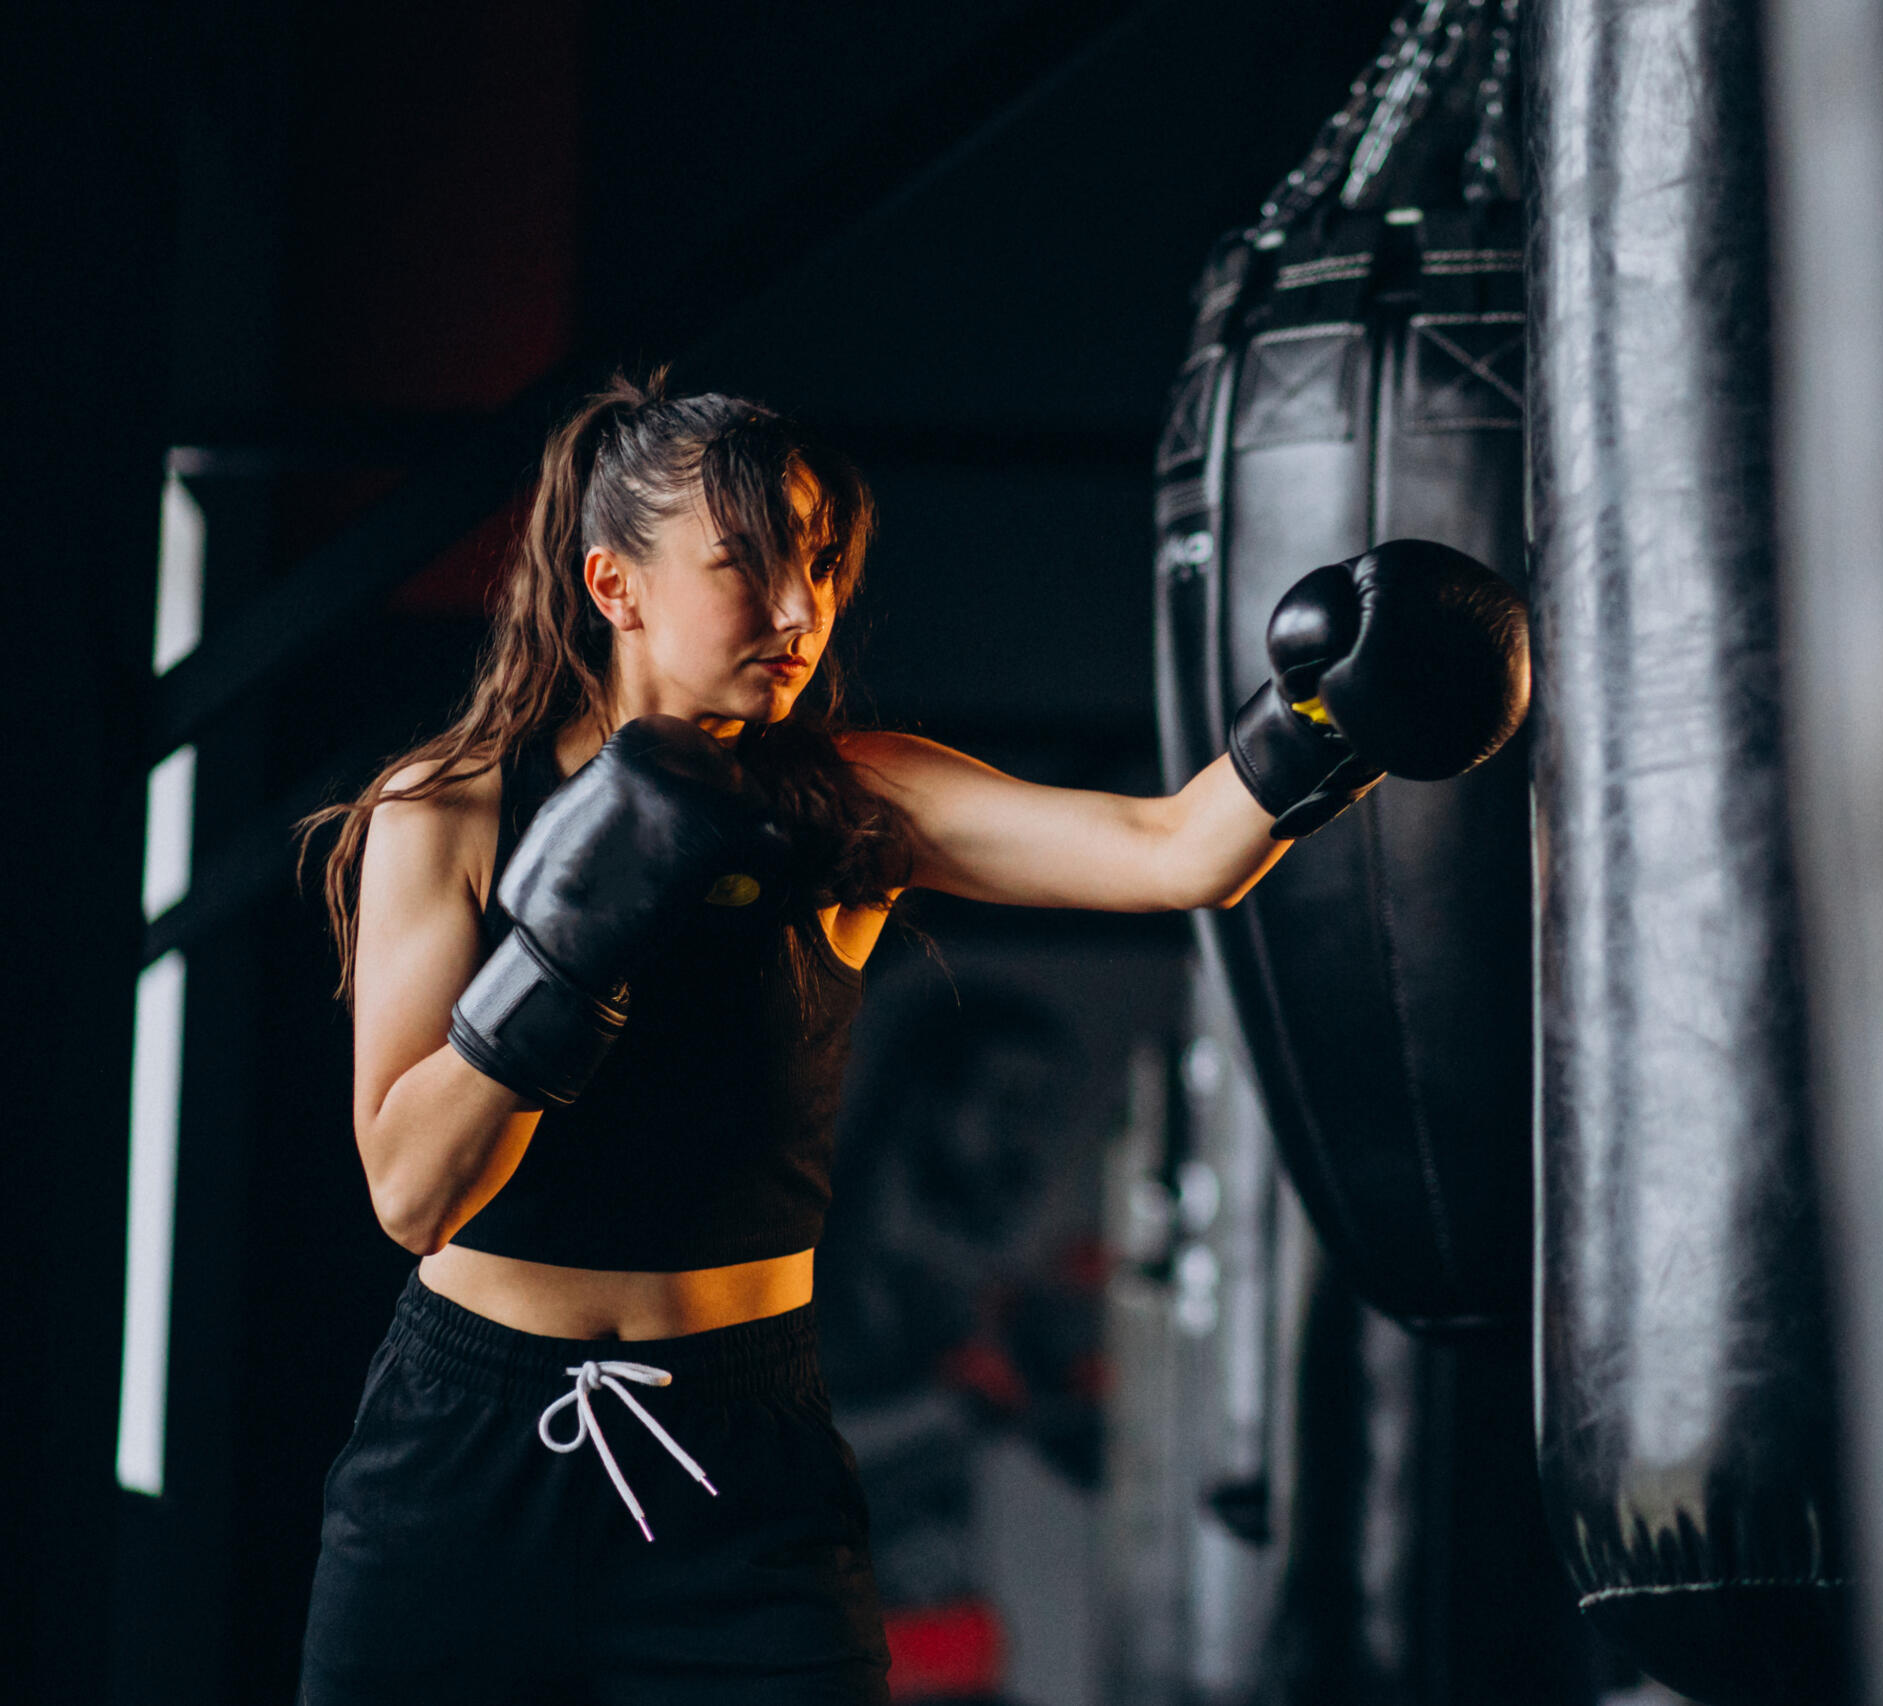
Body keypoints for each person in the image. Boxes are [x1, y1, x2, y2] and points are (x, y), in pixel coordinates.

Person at [293, 371, 1527, 1705]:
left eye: (818, 567)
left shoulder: (849, 800)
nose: (797, 611)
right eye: (746, 566)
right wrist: (562, 948)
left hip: (737, 1459)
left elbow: (1172, 850)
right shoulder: (453, 807)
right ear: (614, 583)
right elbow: (414, 1192)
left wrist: (1329, 718)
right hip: (469, 1454)